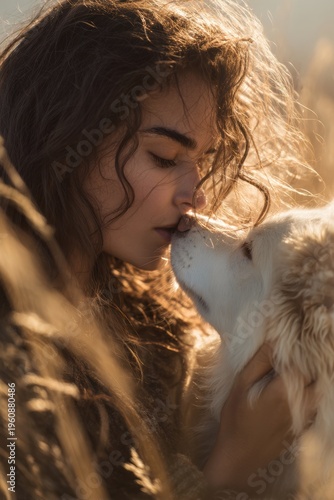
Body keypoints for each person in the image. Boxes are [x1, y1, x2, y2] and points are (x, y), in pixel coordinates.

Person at [0, 0, 317, 498]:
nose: (198, 195)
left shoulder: (162, 315)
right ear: (67, 136)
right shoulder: (11, 364)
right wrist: (233, 468)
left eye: (201, 160)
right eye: (164, 156)